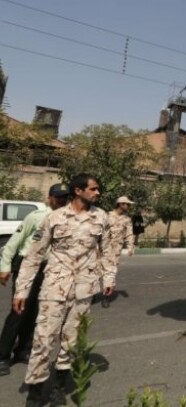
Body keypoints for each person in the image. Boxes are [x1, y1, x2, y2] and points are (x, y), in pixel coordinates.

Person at [13, 174, 116, 406]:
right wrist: (22, 291)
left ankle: (59, 388)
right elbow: (34, 256)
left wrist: (108, 278)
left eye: (98, 189)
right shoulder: (55, 218)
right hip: (54, 288)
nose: (98, 193)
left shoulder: (101, 218)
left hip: (83, 289)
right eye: (93, 189)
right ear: (78, 191)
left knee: (71, 341)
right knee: (43, 339)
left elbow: (107, 251)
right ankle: (36, 392)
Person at [0, 184, 69, 376]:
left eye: (64, 197)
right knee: (18, 311)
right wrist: (4, 267)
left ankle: (23, 349)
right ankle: (2, 356)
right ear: (50, 198)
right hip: (27, 266)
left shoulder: (67, 220)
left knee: (35, 312)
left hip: (48, 270)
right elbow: (14, 242)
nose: (61, 201)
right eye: (58, 197)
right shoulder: (36, 217)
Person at [101, 196, 135, 308]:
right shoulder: (107, 215)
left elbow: (129, 234)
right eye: (127, 204)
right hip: (101, 248)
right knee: (96, 272)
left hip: (116, 250)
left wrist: (130, 247)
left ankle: (106, 296)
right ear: (121, 204)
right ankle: (92, 293)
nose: (128, 206)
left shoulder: (127, 219)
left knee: (110, 272)